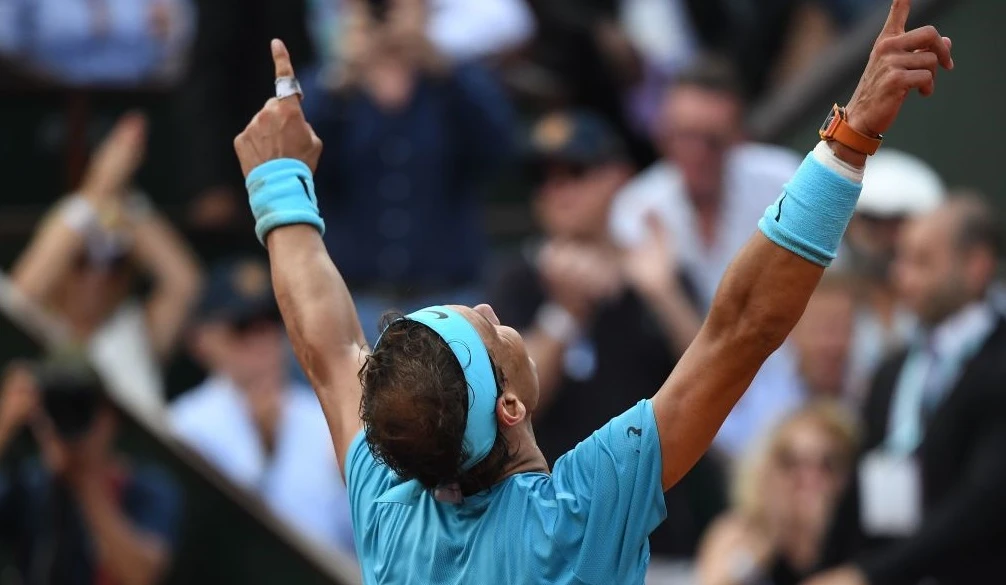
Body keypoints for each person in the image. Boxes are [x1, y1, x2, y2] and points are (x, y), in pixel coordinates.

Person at [232, 1, 952, 579]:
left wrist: (276, 182)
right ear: (509, 406)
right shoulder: (578, 512)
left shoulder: (390, 509)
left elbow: (327, 347)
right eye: (486, 331)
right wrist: (851, 136)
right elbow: (741, 329)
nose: (491, 309)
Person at [488, 110, 719, 562]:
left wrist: (662, 293)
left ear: (618, 177)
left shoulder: (659, 273)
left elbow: (717, 379)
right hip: (548, 531)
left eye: (576, 172)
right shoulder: (515, 282)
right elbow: (509, 402)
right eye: (544, 177)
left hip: (654, 527)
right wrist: (566, 312)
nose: (558, 190)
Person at [609, 56, 807, 458]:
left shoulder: (783, 180)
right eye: (682, 136)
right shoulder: (637, 209)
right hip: (698, 401)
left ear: (739, 136)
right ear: (662, 134)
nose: (695, 152)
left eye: (711, 139)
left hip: (795, 381)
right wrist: (663, 291)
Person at [811, 194, 1006, 585]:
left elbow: (984, 502)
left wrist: (868, 574)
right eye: (901, 260)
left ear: (976, 267)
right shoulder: (894, 368)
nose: (902, 277)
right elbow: (862, 488)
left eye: (922, 262)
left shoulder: (997, 366)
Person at [300, 0, 516, 343]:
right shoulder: (332, 83)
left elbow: (498, 151)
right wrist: (342, 73)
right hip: (355, 300)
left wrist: (437, 61)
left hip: (448, 301)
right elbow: (298, 156)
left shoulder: (455, 78)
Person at [10, 112, 203, 421]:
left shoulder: (133, 330)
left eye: (115, 264)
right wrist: (97, 191)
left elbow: (184, 282)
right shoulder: (38, 327)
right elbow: (17, 298)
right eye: (81, 262)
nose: (97, 277)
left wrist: (126, 199)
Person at [169, 258, 354, 556]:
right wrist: (266, 448)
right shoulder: (184, 425)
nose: (262, 342)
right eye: (242, 329)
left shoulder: (324, 417)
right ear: (202, 341)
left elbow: (353, 543)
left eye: (269, 325)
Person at [0, 358, 181, 585]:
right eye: (57, 411)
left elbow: (140, 576)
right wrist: (5, 424)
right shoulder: (32, 480)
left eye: (80, 411)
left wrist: (83, 481)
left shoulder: (147, 488)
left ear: (111, 418)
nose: (67, 421)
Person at [696, 403, 859, 585]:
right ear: (767, 470)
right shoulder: (737, 532)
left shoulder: (860, 544)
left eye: (827, 465)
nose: (808, 479)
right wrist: (764, 546)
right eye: (790, 462)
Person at [835, 149, 945, 401]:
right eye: (872, 222)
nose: (886, 239)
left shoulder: (954, 307)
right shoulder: (821, 301)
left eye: (899, 223)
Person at [790, 273, 858, 403]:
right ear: (791, 332)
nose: (832, 344)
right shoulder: (758, 404)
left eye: (842, 328)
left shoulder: (869, 397)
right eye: (821, 329)